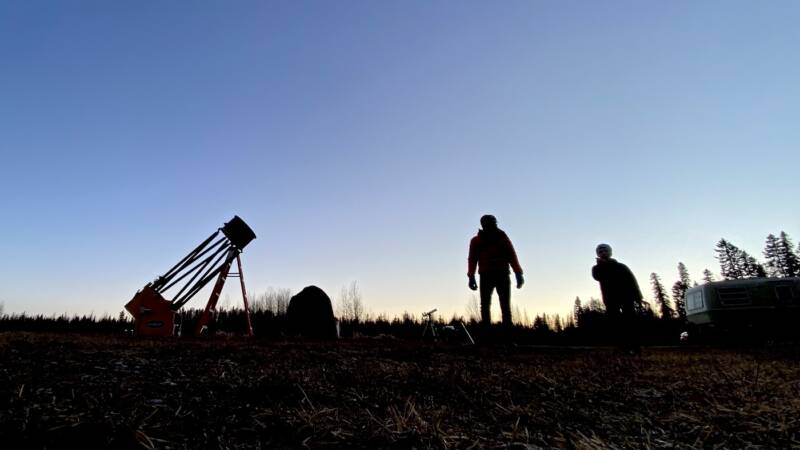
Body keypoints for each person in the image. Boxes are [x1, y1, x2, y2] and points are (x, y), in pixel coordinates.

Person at [467, 215, 524, 328]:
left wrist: (518, 272)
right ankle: (487, 334)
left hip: (502, 274)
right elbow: (472, 259)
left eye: (493, 223)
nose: (492, 225)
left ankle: (507, 334)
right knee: (486, 306)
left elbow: (511, 255)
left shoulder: (503, 238)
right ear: (483, 225)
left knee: (504, 306)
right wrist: (471, 276)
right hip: (487, 275)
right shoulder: (476, 241)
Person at [591, 243, 642, 353]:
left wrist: (638, 296)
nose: (603, 253)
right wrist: (602, 265)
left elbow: (632, 281)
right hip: (610, 299)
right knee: (615, 323)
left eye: (605, 250)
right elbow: (597, 277)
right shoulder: (596, 268)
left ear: (610, 252)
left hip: (626, 297)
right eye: (600, 251)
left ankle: (635, 346)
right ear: (598, 254)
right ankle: (622, 346)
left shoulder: (621, 266)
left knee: (630, 321)